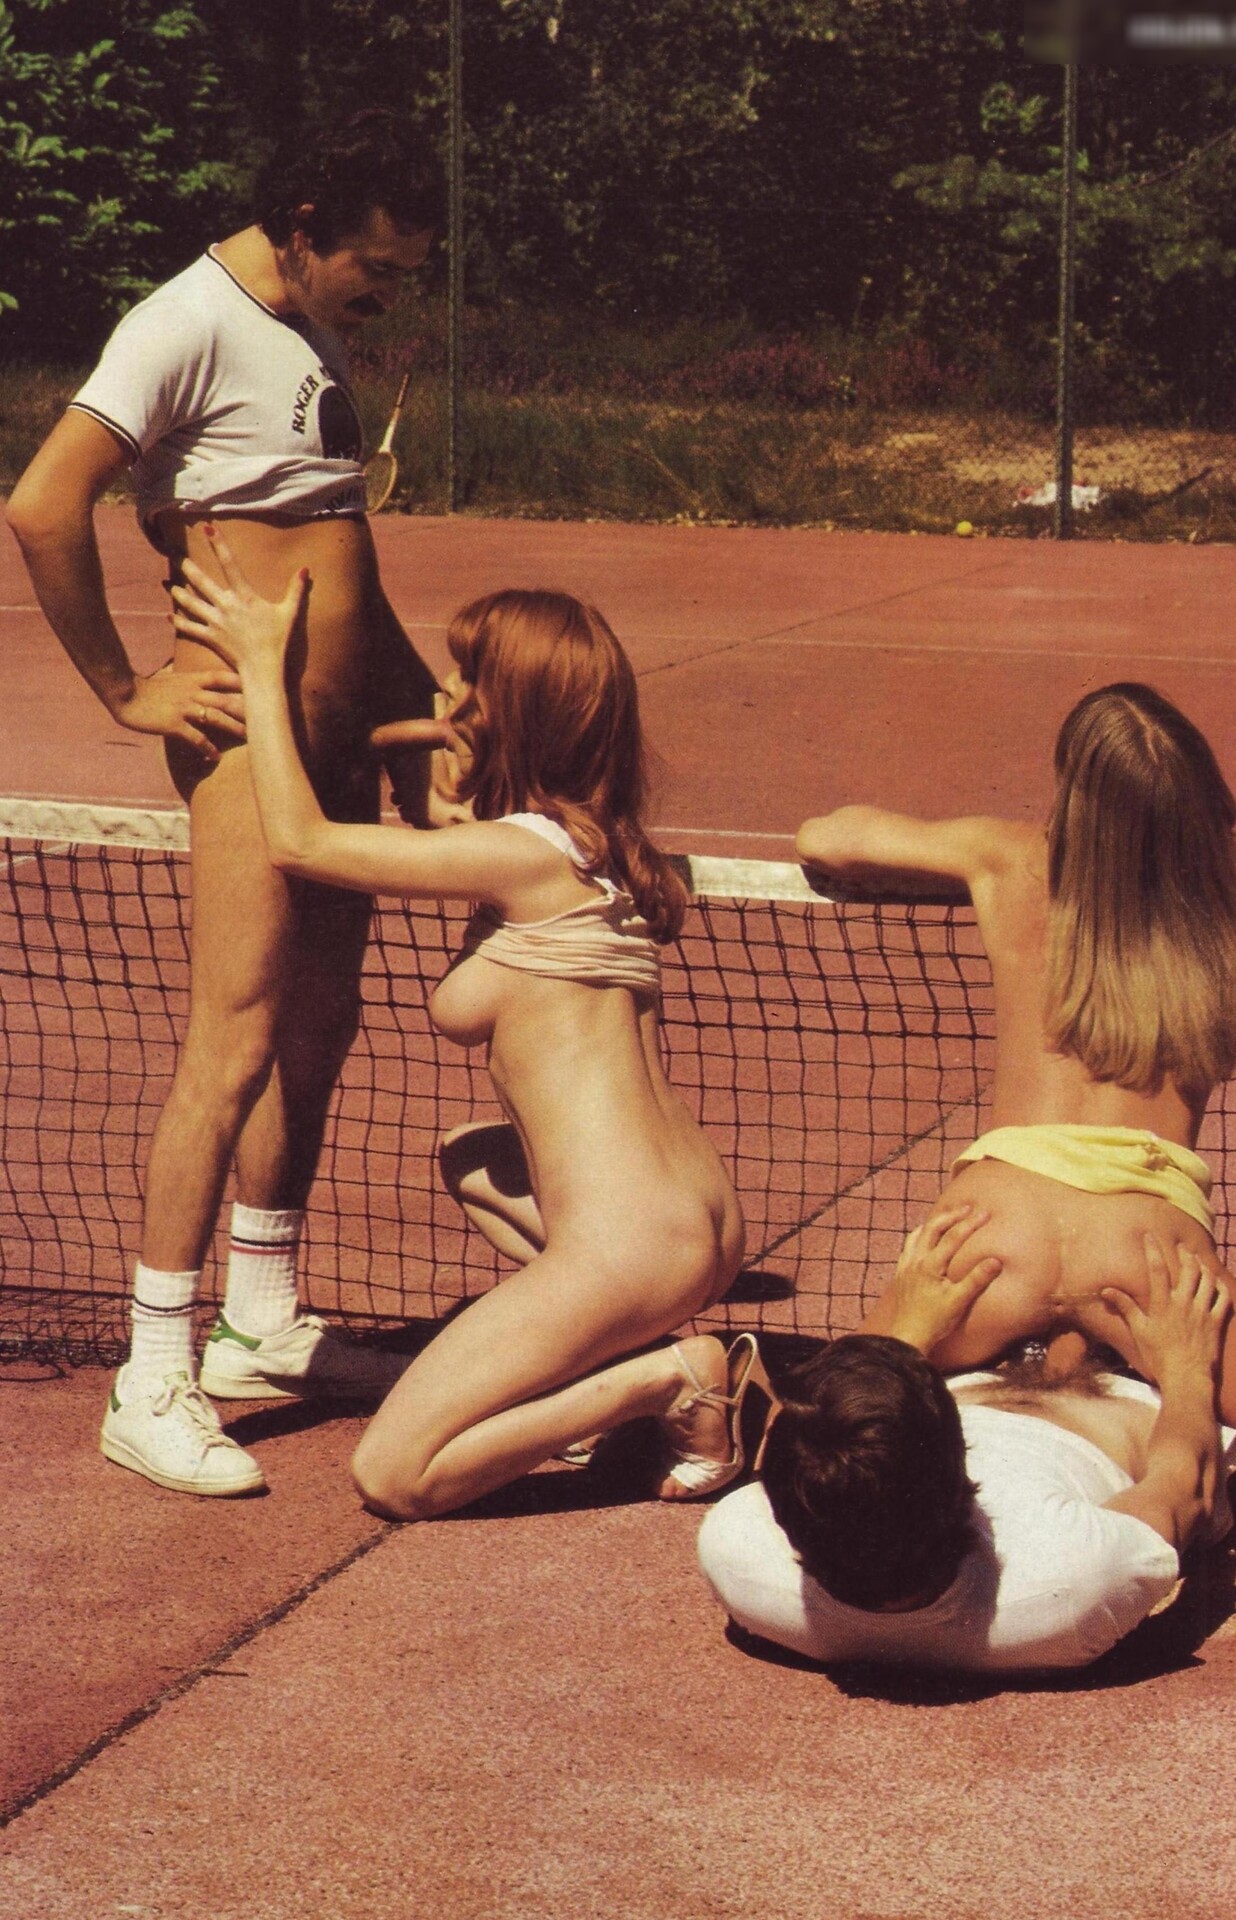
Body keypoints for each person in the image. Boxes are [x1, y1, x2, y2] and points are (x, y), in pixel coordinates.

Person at [5, 111, 445, 1496]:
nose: (390, 294)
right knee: (237, 1033)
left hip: (342, 736)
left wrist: (411, 709)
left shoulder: (307, 320)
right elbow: (43, 504)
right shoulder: (182, 320)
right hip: (245, 737)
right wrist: (125, 688)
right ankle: (152, 1376)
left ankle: (261, 1316)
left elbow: (330, 540)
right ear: (305, 230)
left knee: (320, 1019)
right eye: (378, 267)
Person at [171, 543, 758, 1518]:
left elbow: (299, 843)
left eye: (463, 676)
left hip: (627, 1245)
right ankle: (633, 1349)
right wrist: (446, 780)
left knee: (395, 1475)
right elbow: (485, 848)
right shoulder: (607, 852)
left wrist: (264, 669)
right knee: (472, 1155)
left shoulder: (518, 857)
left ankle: (667, 1378)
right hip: (699, 1219)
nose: (443, 689)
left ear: (508, 711)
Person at [794, 683, 1236, 1467]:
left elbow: (826, 838)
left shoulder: (1010, 858)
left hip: (990, 1238)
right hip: (1144, 1254)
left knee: (821, 1438)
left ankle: (713, 1397)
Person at [697, 1208, 1236, 1673]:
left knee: (1004, 1238)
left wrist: (909, 1326)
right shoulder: (1066, 1584)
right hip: (1128, 1387)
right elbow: (1185, 1487)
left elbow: (804, 1436)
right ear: (965, 1463)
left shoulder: (741, 1554)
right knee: (1115, 1238)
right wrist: (1187, 1369)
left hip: (974, 1370)